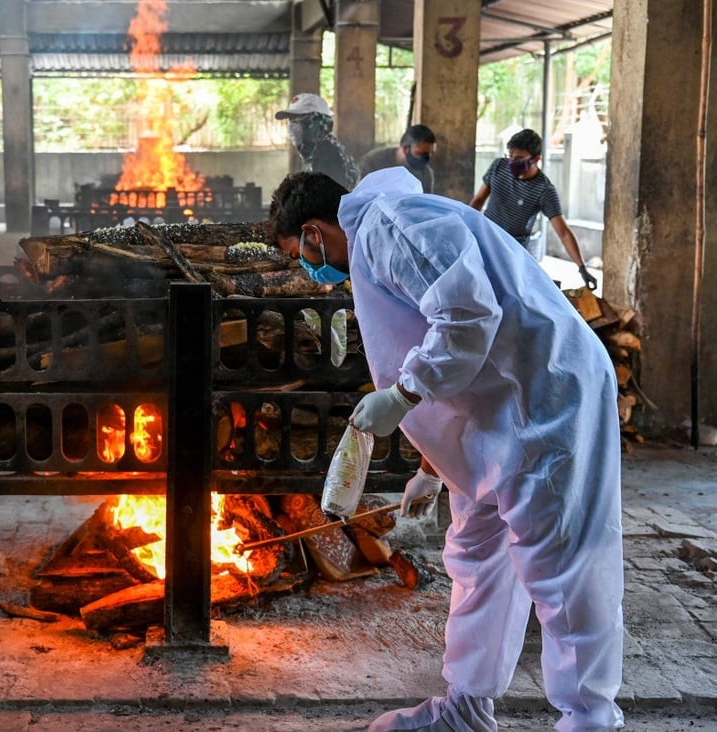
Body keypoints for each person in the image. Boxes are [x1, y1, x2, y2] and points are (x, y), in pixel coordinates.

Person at [267, 168, 624, 732]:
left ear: (313, 232)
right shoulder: (382, 235)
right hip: (494, 412)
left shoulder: (390, 226)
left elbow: (467, 315)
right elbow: (438, 329)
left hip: (543, 395)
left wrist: (404, 394)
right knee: (478, 556)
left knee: (559, 564)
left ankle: (590, 721)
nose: (307, 268)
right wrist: (433, 467)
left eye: (299, 254)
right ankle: (466, 709)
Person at [470, 128, 597, 289]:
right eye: (510, 157)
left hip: (513, 250)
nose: (512, 162)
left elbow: (563, 232)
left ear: (536, 159)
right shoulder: (499, 167)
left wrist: (582, 267)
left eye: (519, 159)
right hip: (486, 237)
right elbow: (479, 200)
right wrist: (468, 227)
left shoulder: (544, 190)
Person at [275, 93, 360, 190]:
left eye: (302, 121)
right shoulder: (311, 153)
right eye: (292, 121)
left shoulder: (329, 156)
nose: (293, 127)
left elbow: (327, 201)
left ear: (322, 123)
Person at [359, 124, 437, 193]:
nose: (426, 158)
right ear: (405, 148)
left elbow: (425, 205)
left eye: (430, 154)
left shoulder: (426, 174)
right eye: (421, 153)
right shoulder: (373, 161)